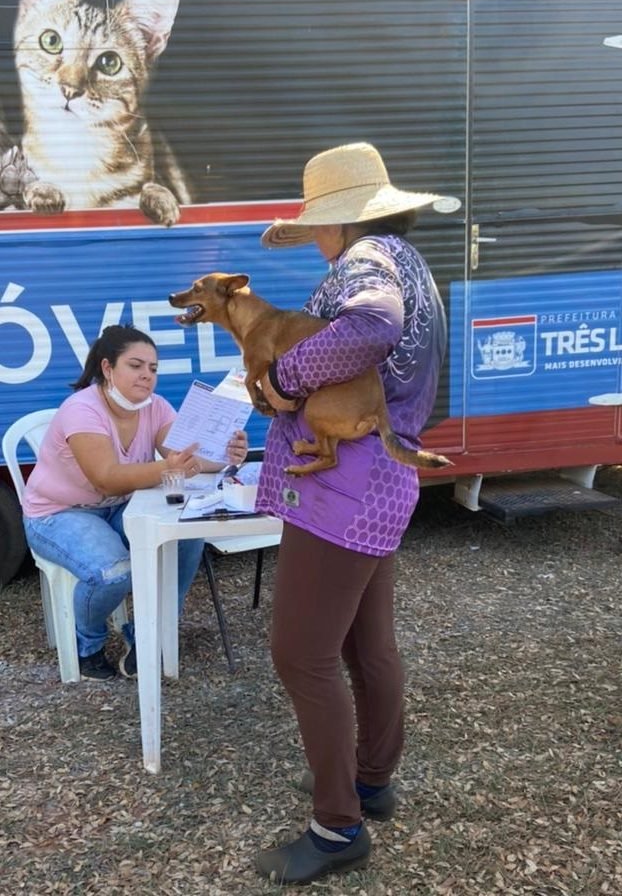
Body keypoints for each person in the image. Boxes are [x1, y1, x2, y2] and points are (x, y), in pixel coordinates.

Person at [254, 142, 448, 885]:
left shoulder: (364, 266)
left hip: (342, 489)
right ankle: (370, 780)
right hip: (385, 482)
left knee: (301, 654)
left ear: (335, 224)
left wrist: (281, 377)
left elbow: (368, 328)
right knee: (368, 646)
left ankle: (337, 829)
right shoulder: (411, 263)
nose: (316, 244)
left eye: (317, 231)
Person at [22, 324, 248, 682]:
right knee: (112, 573)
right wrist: (166, 468)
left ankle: (147, 633)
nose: (147, 376)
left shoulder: (155, 407)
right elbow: (106, 478)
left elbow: (187, 456)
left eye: (153, 368)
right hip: (59, 513)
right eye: (136, 365)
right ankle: (88, 643)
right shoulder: (81, 409)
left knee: (185, 535)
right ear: (108, 368)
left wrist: (227, 456)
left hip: (118, 507)